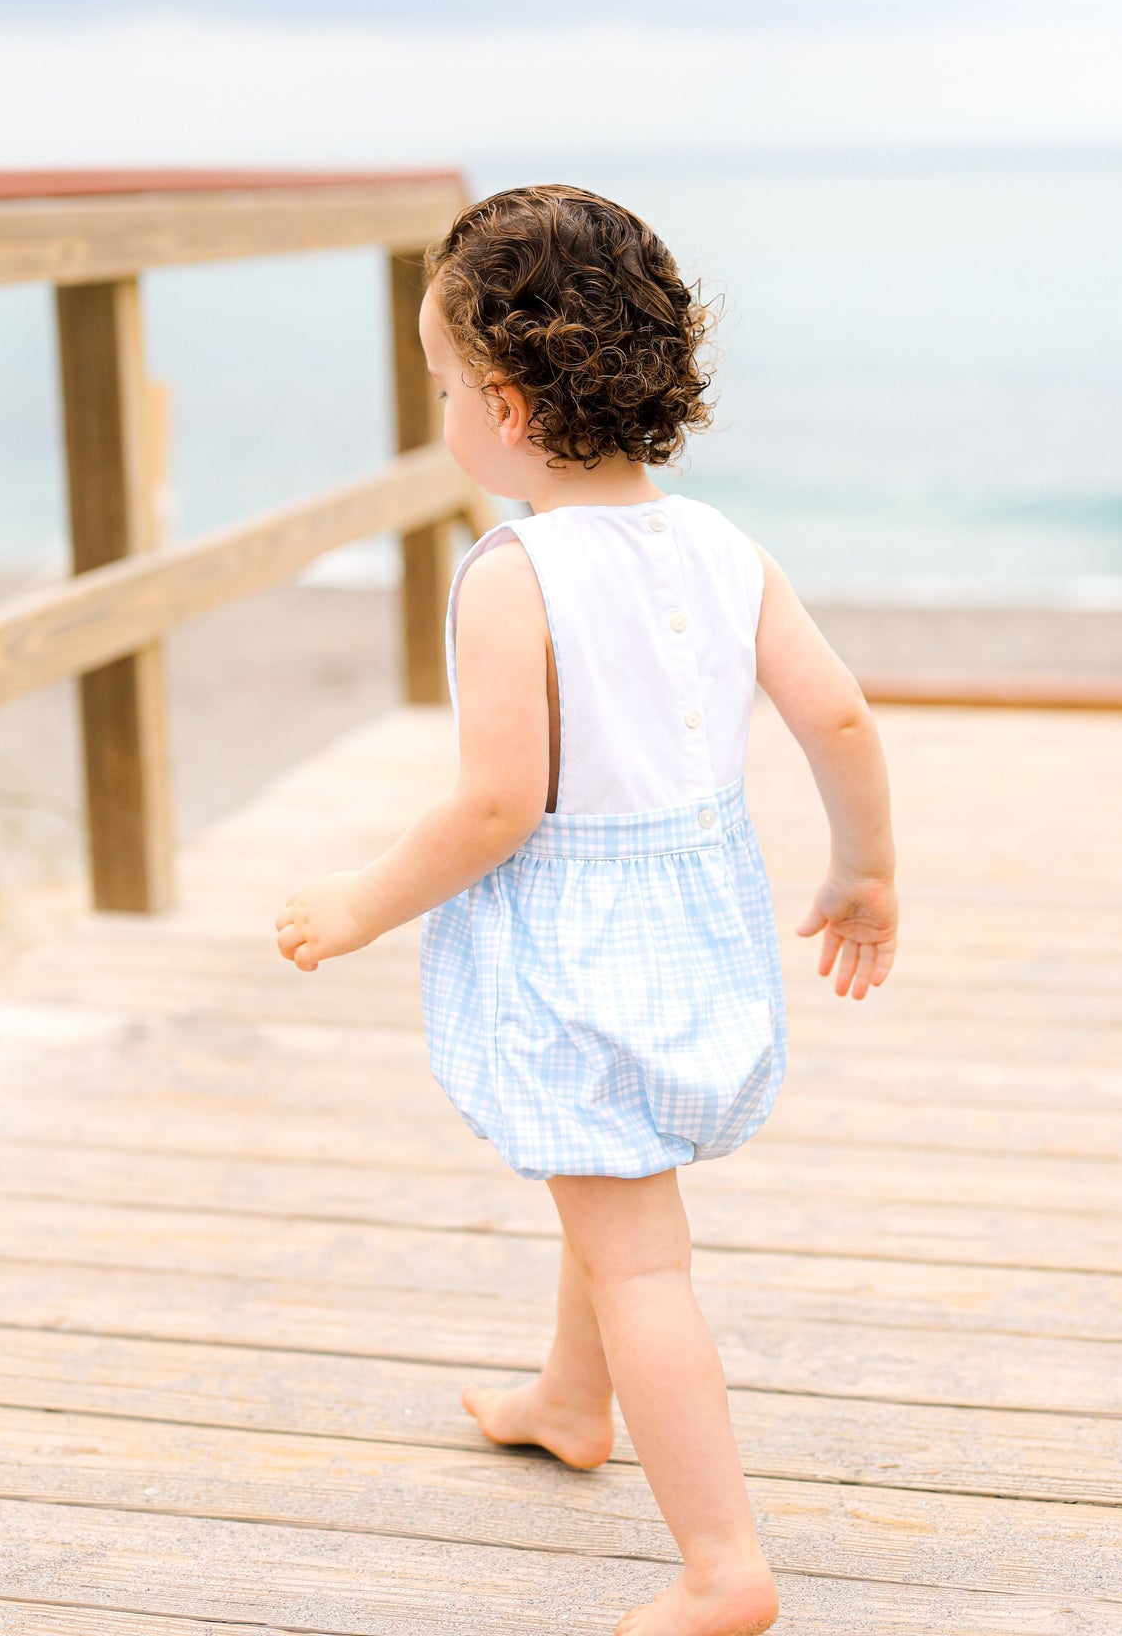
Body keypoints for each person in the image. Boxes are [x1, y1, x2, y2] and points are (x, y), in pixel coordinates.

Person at [277, 184, 899, 1636]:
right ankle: (569, 1399)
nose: (440, 413)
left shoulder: (517, 575)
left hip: (578, 951)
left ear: (498, 402)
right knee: (600, 1174)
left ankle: (720, 1565)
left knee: (641, 1254)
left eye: (438, 389)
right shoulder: (720, 548)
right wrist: (862, 870)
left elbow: (495, 808)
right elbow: (842, 718)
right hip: (697, 922)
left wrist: (358, 905)